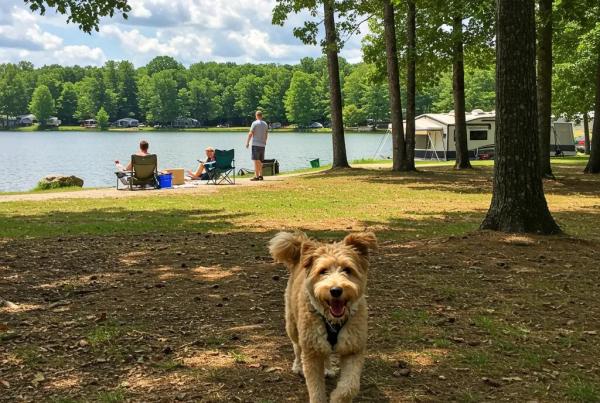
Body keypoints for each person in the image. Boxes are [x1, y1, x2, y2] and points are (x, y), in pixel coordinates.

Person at [246, 110, 268, 181]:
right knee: (259, 160)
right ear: (262, 116)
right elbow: (266, 134)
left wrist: (247, 142)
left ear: (256, 116)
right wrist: (265, 141)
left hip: (255, 144)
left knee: (256, 160)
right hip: (262, 145)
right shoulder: (265, 124)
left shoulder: (254, 123)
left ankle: (257, 176)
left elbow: (250, 133)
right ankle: (260, 176)